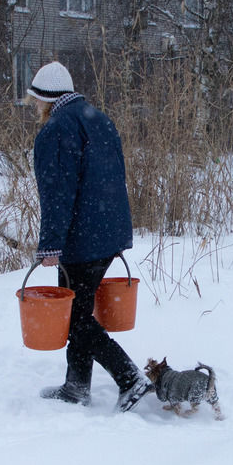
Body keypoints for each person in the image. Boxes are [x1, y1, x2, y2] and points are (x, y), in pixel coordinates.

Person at [28, 61, 151, 411]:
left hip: (80, 238)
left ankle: (129, 378)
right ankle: (76, 386)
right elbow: (114, 180)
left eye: (36, 100)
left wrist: (51, 243)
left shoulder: (56, 129)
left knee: (73, 319)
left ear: (47, 98)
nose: (35, 106)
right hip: (107, 232)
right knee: (79, 312)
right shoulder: (99, 119)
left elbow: (57, 192)